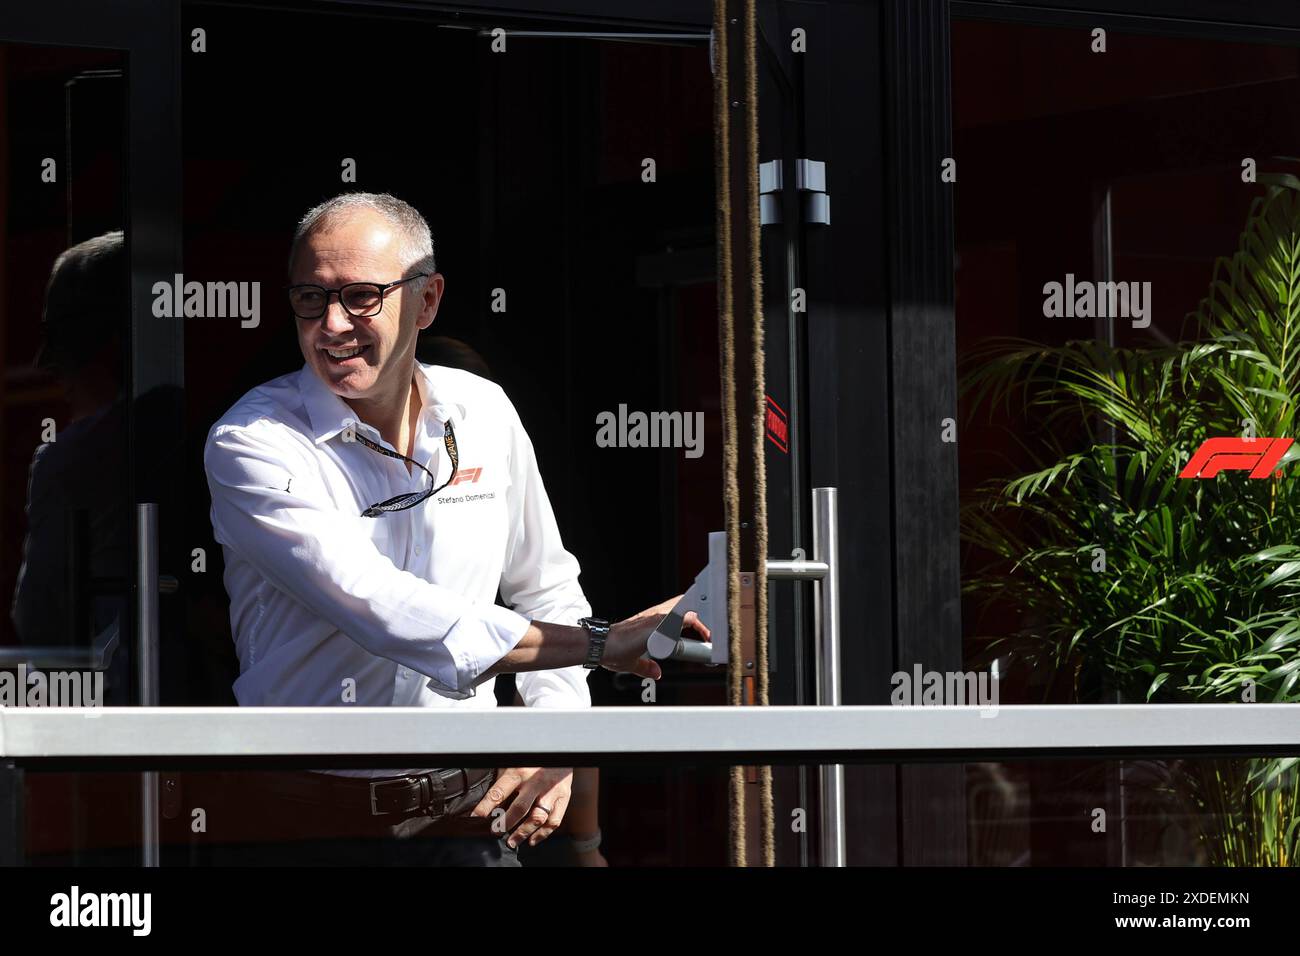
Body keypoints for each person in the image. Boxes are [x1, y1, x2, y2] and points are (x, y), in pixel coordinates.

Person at [203, 192, 705, 866]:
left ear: (428, 300)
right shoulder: (252, 441)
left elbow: (545, 585)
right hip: (302, 823)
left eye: (359, 296)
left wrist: (556, 739)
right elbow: (379, 607)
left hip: (470, 817)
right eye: (308, 298)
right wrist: (598, 644)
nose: (330, 324)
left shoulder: (483, 410)